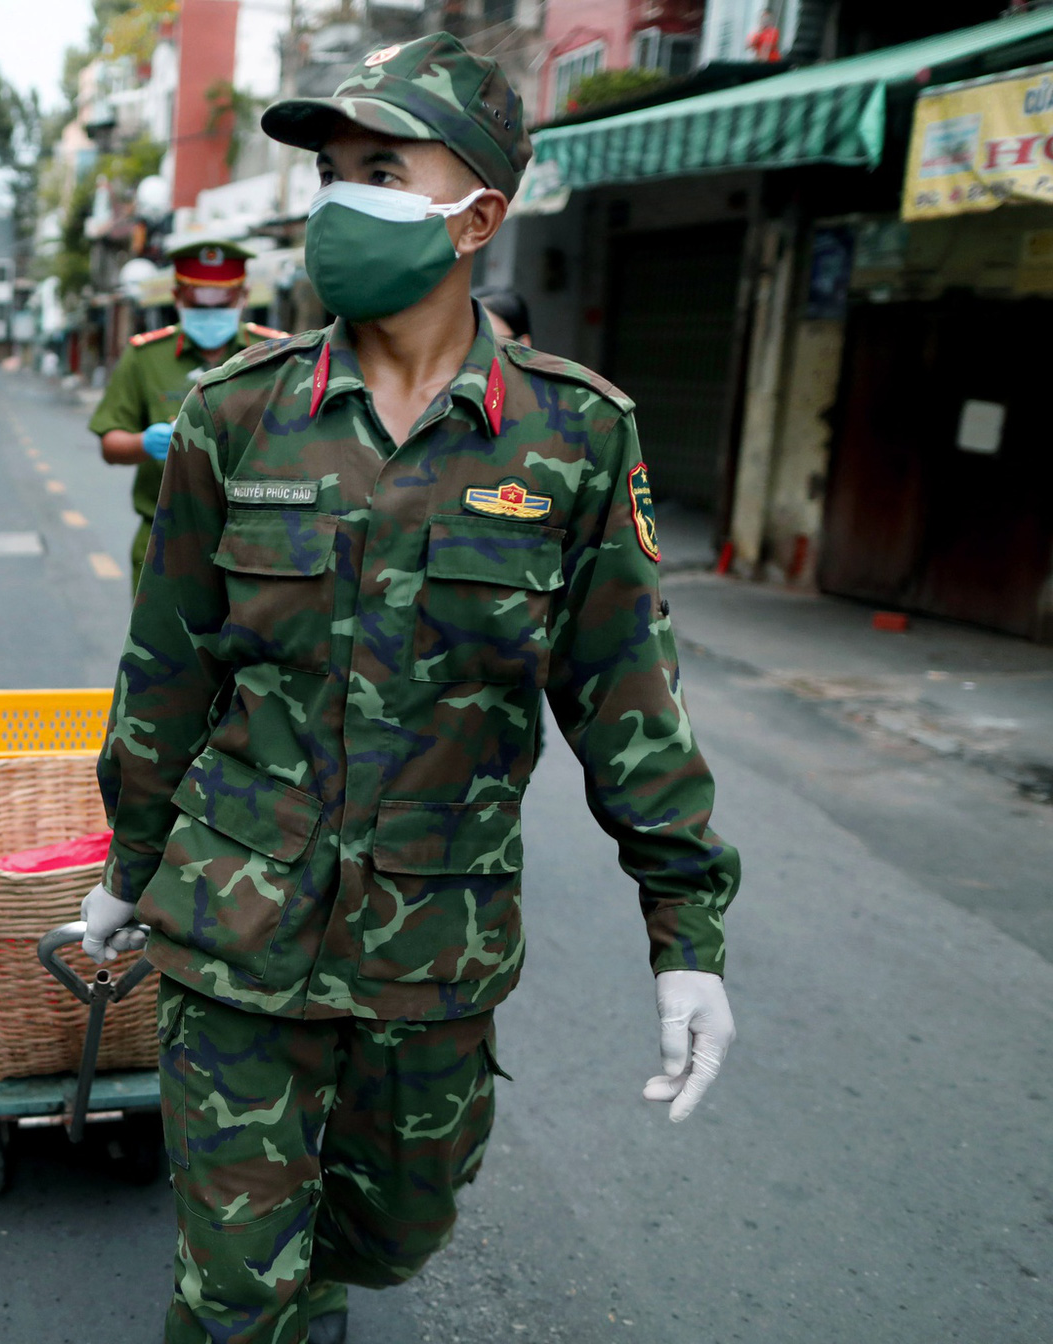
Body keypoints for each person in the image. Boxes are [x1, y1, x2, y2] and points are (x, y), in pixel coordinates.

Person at [80, 33, 741, 1344]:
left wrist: (688, 938)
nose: (337, 203)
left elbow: (626, 695)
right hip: (233, 932)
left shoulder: (573, 437)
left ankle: (322, 1279)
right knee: (234, 1296)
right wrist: (126, 868)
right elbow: (165, 672)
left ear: (480, 214)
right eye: (330, 174)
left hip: (431, 959)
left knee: (391, 1233)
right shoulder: (236, 413)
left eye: (380, 169)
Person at [88, 238, 286, 590]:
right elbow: (110, 443)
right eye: (198, 304)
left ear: (244, 297)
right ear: (178, 298)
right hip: (167, 536)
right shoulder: (146, 356)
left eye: (221, 303)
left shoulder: (278, 355)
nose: (210, 313)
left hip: (257, 538)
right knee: (159, 645)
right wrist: (146, 442)